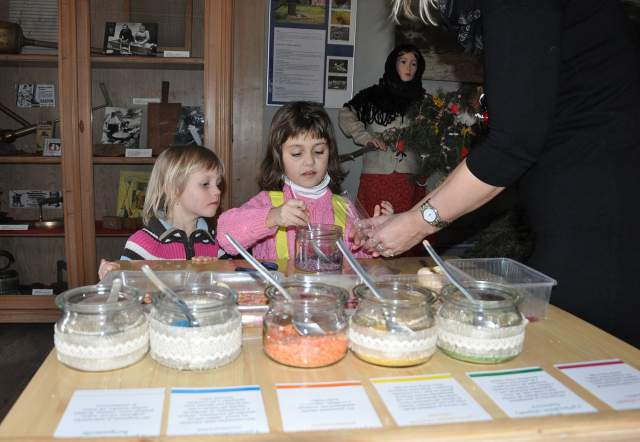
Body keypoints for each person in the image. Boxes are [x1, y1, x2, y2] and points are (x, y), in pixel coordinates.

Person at [360, 0, 640, 346]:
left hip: (603, 213)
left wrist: (417, 224)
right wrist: (410, 217)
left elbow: (510, 147)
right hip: (585, 204)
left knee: (579, 347)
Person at [216, 101, 392, 260]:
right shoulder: (267, 202)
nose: (309, 161)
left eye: (319, 151)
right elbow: (224, 235)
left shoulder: (345, 208)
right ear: (278, 158)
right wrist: (272, 217)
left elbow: (360, 262)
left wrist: (374, 238)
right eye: (297, 153)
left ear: (330, 154)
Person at [98, 145, 225, 279]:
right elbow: (124, 286)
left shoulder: (217, 240)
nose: (217, 191)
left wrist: (215, 270)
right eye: (205, 184)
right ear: (173, 189)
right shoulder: (143, 243)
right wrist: (111, 274)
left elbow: (228, 283)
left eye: (218, 184)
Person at [338, 44, 426, 218]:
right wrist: (365, 137)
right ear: (393, 64)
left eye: (414, 63)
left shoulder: (424, 101)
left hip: (409, 179)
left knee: (407, 228)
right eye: (403, 62)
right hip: (377, 176)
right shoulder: (372, 96)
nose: (408, 68)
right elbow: (345, 114)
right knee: (372, 225)